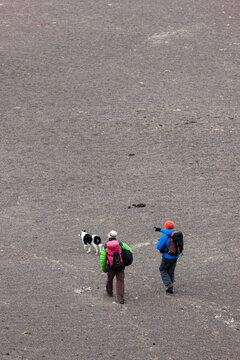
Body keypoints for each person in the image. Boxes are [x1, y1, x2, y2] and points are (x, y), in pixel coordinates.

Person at [100, 230, 133, 304]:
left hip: (111, 267)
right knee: (120, 281)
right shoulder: (121, 244)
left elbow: (102, 259)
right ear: (116, 236)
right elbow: (130, 251)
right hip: (120, 266)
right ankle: (120, 298)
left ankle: (109, 292)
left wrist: (104, 268)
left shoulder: (105, 246)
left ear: (109, 236)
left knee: (109, 279)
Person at [155, 221, 181, 294]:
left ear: (166, 227)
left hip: (167, 257)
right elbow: (168, 231)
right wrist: (160, 230)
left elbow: (158, 247)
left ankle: (168, 284)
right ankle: (171, 289)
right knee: (171, 271)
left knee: (162, 269)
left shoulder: (165, 236)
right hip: (175, 256)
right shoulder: (176, 234)